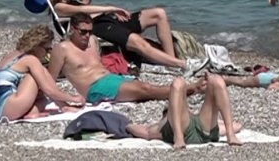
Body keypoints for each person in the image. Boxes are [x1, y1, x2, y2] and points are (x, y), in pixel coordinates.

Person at [47, 0, 199, 71]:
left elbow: (87, 5)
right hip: (99, 28)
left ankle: (171, 61)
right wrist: (111, 8)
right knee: (138, 42)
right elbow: (83, 11)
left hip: (108, 20)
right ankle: (182, 65)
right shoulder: (59, 7)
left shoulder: (73, 1)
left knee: (159, 13)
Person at [47, 13, 199, 104]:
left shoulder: (92, 41)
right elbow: (49, 81)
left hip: (112, 79)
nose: (87, 35)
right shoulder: (62, 49)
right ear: (72, 29)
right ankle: (190, 89)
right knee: (144, 90)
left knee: (143, 86)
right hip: (94, 89)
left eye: (90, 31)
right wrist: (65, 103)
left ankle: (186, 89)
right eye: (83, 32)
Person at [0, 25, 84, 121]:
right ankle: (64, 107)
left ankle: (36, 112)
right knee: (39, 73)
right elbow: (49, 91)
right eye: (47, 49)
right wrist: (73, 98)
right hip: (8, 108)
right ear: (37, 46)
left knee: (42, 97)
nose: (47, 54)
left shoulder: (12, 55)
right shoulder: (31, 60)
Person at [127, 74, 243, 149]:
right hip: (198, 132)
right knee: (178, 82)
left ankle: (230, 135)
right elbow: (237, 125)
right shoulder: (160, 128)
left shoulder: (157, 128)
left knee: (216, 79)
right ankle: (178, 136)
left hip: (197, 128)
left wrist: (128, 126)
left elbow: (137, 129)